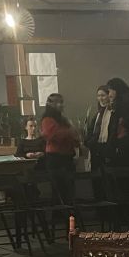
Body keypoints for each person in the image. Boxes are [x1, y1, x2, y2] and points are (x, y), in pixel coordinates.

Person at [40, 93, 78, 230]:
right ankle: (61, 221)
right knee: (60, 192)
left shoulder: (63, 120)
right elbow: (51, 135)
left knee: (68, 192)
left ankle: (68, 221)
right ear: (50, 104)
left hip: (67, 158)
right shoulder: (47, 119)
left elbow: (74, 136)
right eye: (57, 102)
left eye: (61, 102)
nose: (60, 105)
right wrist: (70, 132)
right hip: (56, 159)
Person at [85, 85, 113, 173]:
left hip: (105, 147)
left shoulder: (112, 112)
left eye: (103, 95)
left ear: (109, 96)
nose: (100, 98)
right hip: (96, 148)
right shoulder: (98, 112)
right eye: (98, 96)